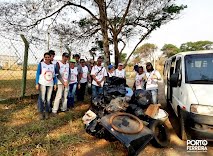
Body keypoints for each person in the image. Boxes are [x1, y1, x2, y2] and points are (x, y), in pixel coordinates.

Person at [36, 52, 57, 120]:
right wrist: (37, 83)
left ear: (50, 58)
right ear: (44, 57)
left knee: (48, 99)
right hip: (43, 83)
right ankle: (41, 113)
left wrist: (55, 84)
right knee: (42, 99)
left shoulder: (52, 65)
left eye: (48, 57)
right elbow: (38, 74)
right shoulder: (41, 64)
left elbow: (54, 76)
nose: (47, 58)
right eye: (46, 57)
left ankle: (47, 112)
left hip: (50, 84)